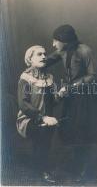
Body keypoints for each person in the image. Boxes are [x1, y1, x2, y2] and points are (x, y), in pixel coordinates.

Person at [46, 25, 97, 182]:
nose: (53, 44)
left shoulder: (85, 50)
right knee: (72, 129)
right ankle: (77, 163)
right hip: (73, 95)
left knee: (84, 131)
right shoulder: (62, 51)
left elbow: (95, 75)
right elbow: (47, 60)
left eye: (56, 41)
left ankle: (85, 168)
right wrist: (32, 68)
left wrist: (70, 87)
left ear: (65, 41)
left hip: (89, 97)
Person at [16, 45, 58, 183]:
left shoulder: (49, 77)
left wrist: (61, 94)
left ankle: (41, 164)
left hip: (46, 119)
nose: (44, 57)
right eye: (39, 54)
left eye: (45, 54)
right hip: (28, 119)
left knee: (47, 136)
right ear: (30, 59)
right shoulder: (25, 79)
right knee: (42, 135)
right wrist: (42, 117)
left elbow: (52, 101)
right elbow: (23, 104)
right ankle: (43, 170)